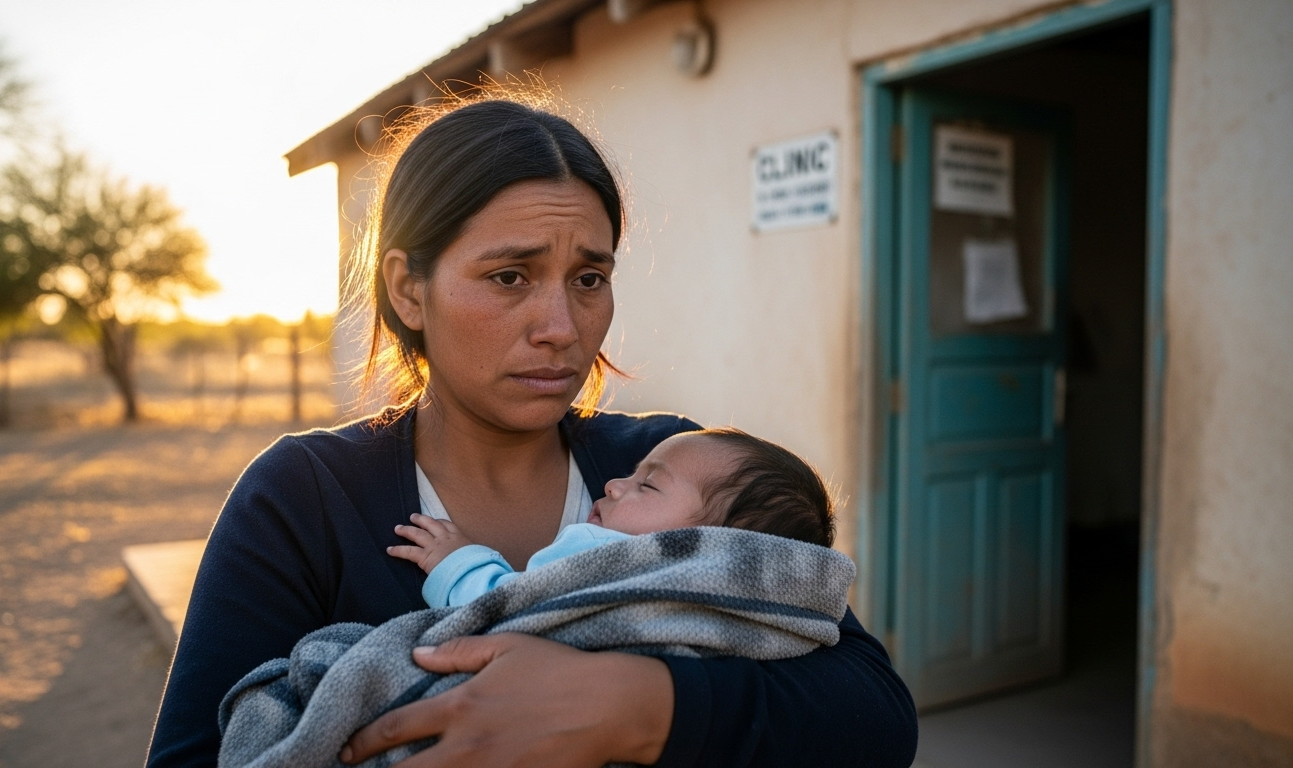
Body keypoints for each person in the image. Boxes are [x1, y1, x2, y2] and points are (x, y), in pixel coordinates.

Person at [145, 95, 917, 768]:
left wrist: (634, 707)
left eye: (589, 279)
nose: (561, 327)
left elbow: (874, 716)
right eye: (509, 276)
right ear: (409, 289)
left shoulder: (669, 469)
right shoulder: (303, 497)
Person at [396, 428, 835, 609]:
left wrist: (457, 561)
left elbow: (507, 607)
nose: (613, 484)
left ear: (713, 544)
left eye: (647, 484)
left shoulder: (602, 553)